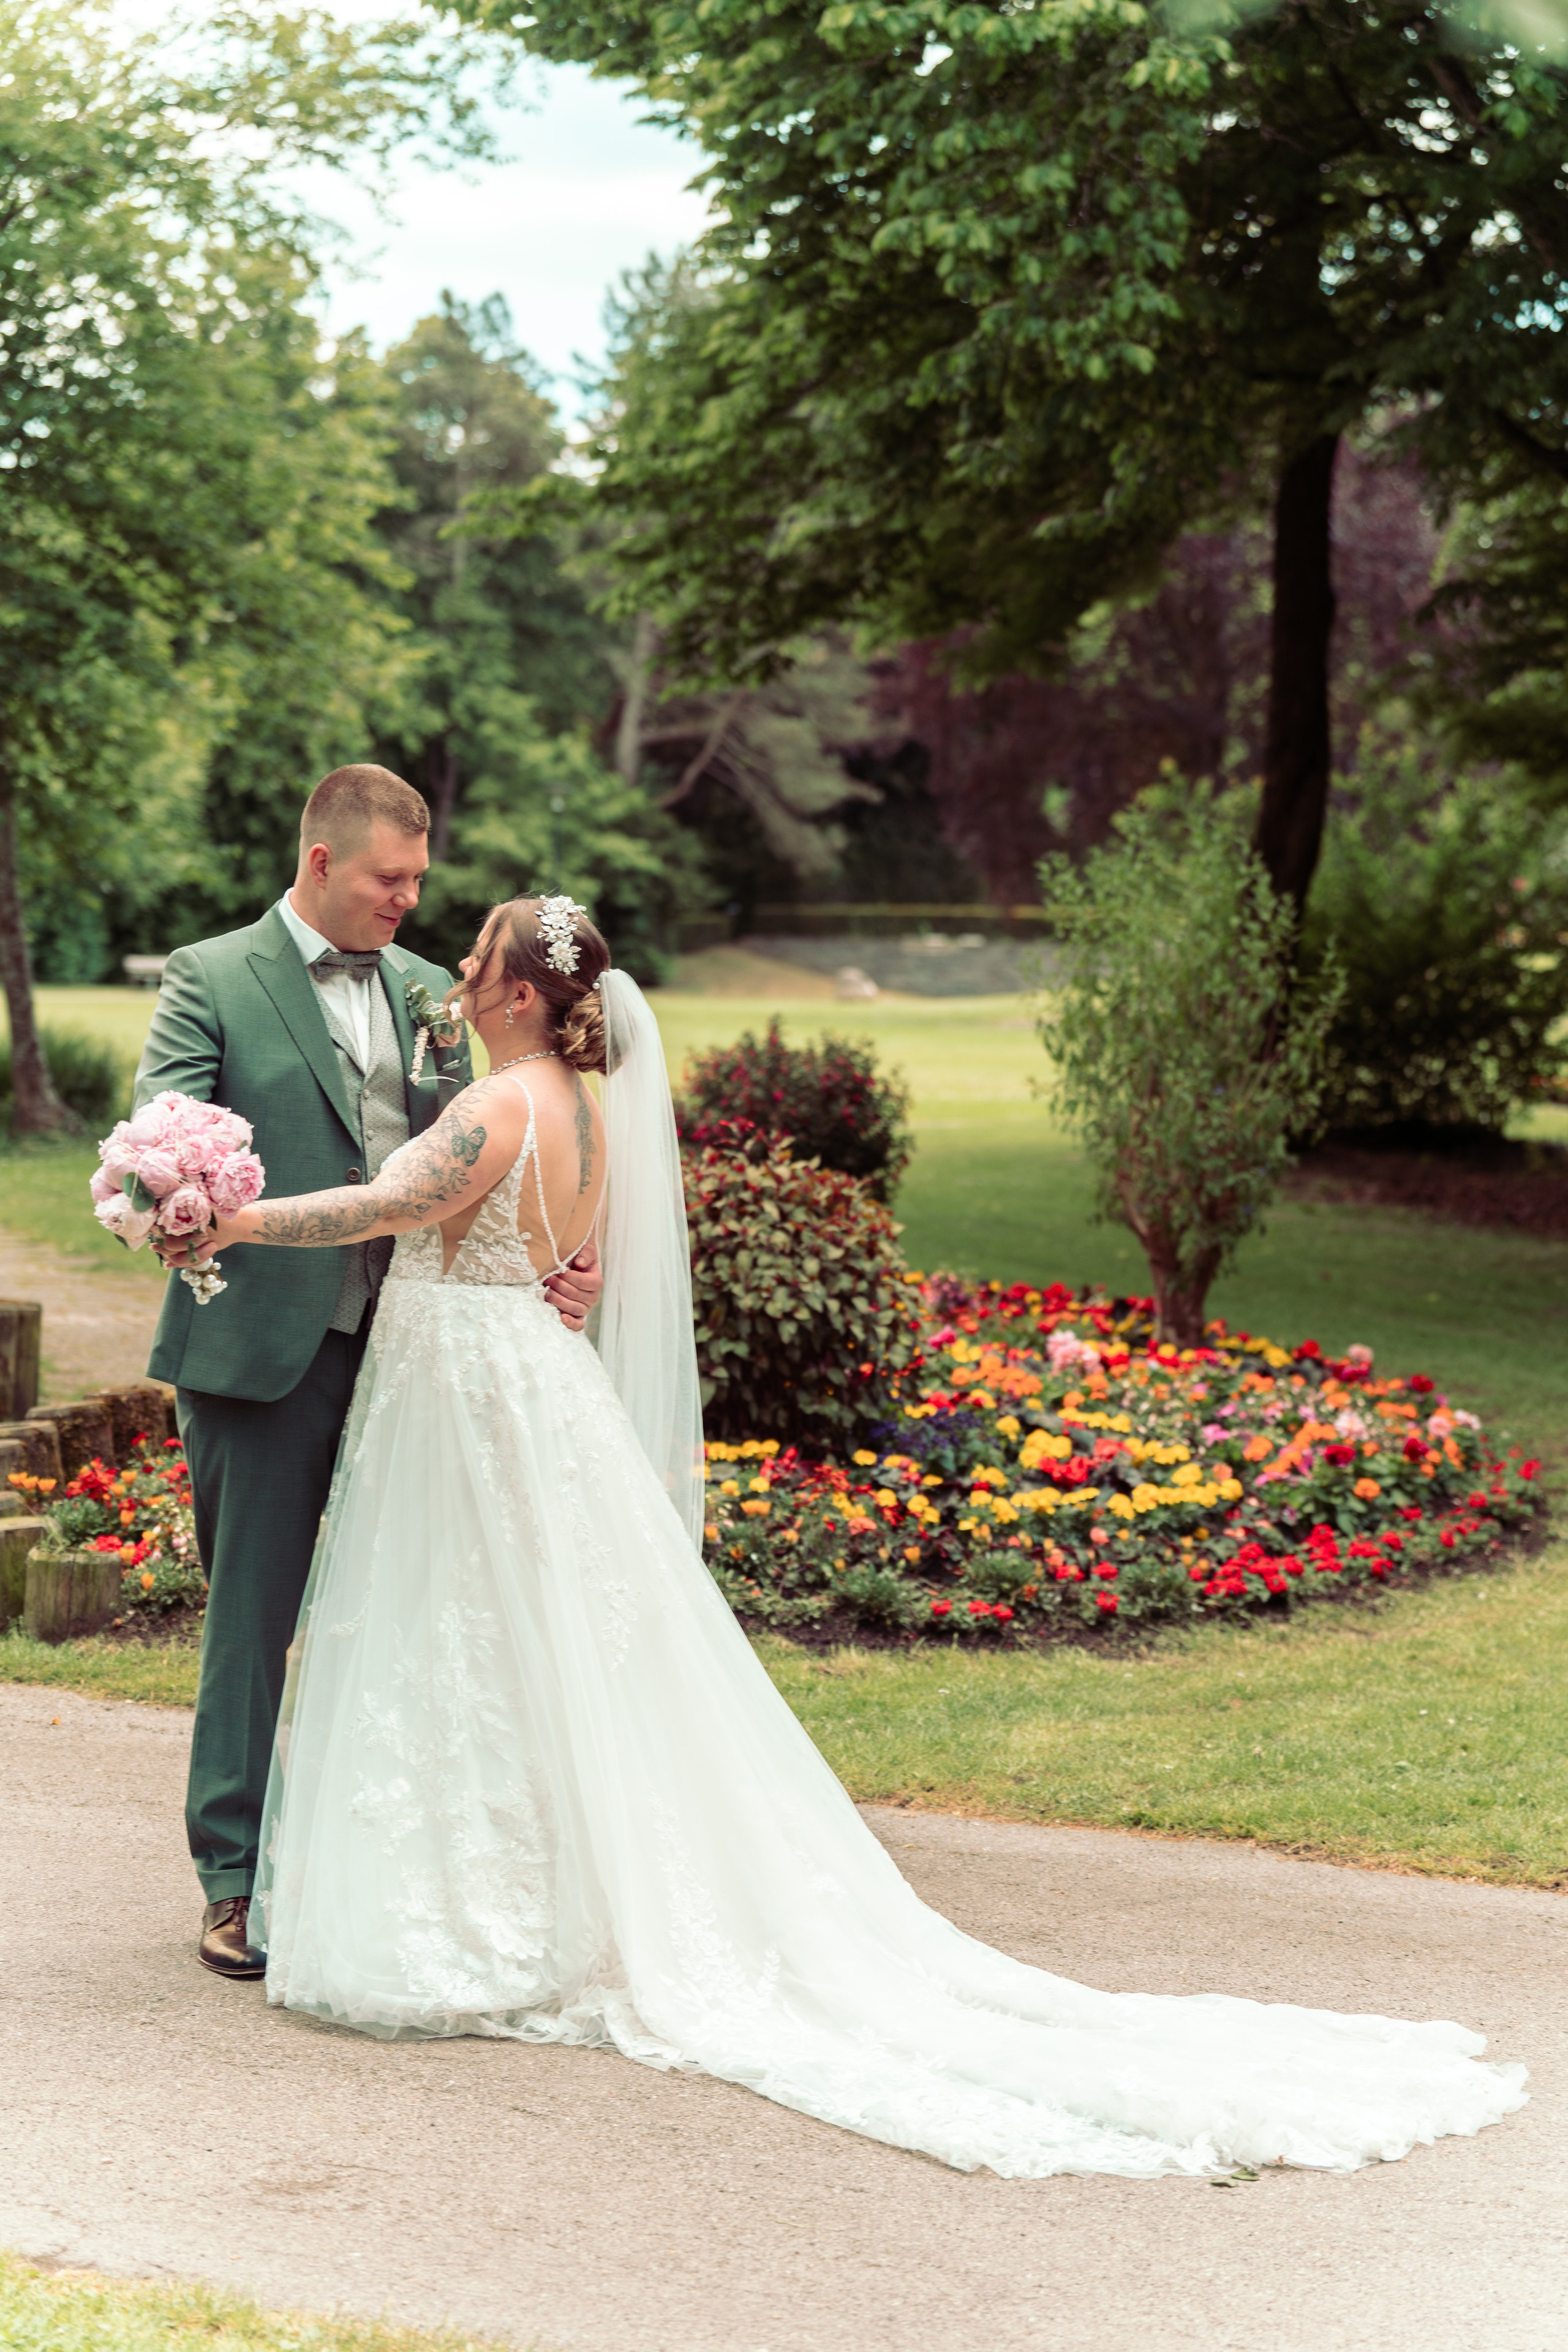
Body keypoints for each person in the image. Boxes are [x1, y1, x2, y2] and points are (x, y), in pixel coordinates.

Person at [192, 892, 1526, 2179]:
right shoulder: (590, 1114)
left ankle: (486, 1913)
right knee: (532, 1646)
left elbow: (373, 1207)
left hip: (466, 1396)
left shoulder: (494, 1105)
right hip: (525, 1390)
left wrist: (227, 1218)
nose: (459, 987)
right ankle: (551, 1889)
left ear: (525, 996)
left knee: (459, 1636)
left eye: (479, 969)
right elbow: (545, 1252)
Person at [132, 769, 600, 1981]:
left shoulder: (425, 993)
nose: (408, 901)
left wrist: (565, 1254)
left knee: (419, 1611)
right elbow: (158, 1142)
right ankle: (232, 1881)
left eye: (419, 882)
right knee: (255, 1618)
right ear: (322, 860)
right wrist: (170, 1204)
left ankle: (384, 1868)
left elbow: (506, 1142)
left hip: (424, 1355)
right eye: (391, 880)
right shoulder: (211, 977)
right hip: (264, 1353)